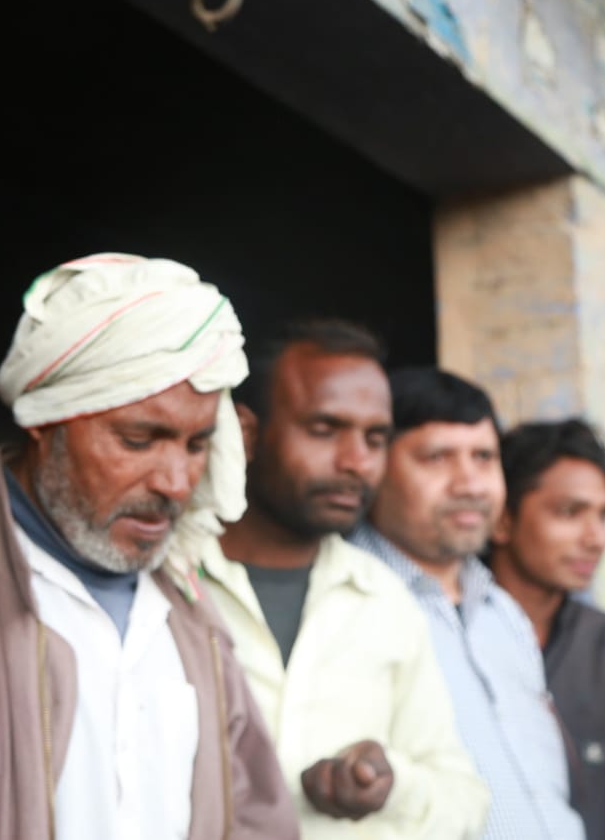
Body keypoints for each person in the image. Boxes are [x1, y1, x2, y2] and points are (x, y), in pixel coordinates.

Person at [0, 252, 299, 839]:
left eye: (197, 446)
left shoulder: (191, 606)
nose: (176, 481)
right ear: (45, 418)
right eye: (139, 439)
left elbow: (254, 816)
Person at [202, 320, 488, 838]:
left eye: (375, 438)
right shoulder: (168, 583)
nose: (357, 462)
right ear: (246, 433)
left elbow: (463, 798)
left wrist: (388, 782)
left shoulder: (385, 600)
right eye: (324, 429)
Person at [349, 368, 583, 840]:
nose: (470, 484)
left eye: (483, 457)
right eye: (437, 458)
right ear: (375, 466)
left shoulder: (503, 613)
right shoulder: (346, 600)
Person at [488, 418, 605, 840]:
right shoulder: (443, 642)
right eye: (569, 512)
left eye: (603, 514)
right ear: (501, 519)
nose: (597, 538)